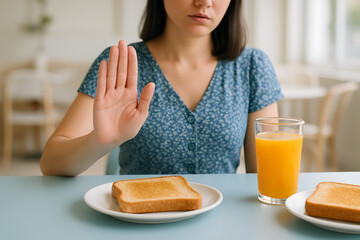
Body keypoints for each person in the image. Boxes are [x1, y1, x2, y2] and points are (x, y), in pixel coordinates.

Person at [40, 0, 283, 176]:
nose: (204, 3)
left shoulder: (252, 66)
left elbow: (265, 178)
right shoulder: (121, 63)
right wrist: (99, 142)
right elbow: (50, 163)